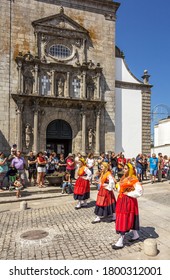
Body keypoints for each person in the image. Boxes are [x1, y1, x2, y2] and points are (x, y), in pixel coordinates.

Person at [112, 164, 141, 250]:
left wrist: (128, 194)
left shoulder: (134, 179)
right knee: (126, 217)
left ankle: (121, 241)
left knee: (124, 218)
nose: (124, 170)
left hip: (129, 201)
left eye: (125, 169)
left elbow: (139, 191)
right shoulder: (123, 178)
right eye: (123, 168)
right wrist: (116, 187)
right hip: (122, 200)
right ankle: (136, 235)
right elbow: (121, 188)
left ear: (130, 169)